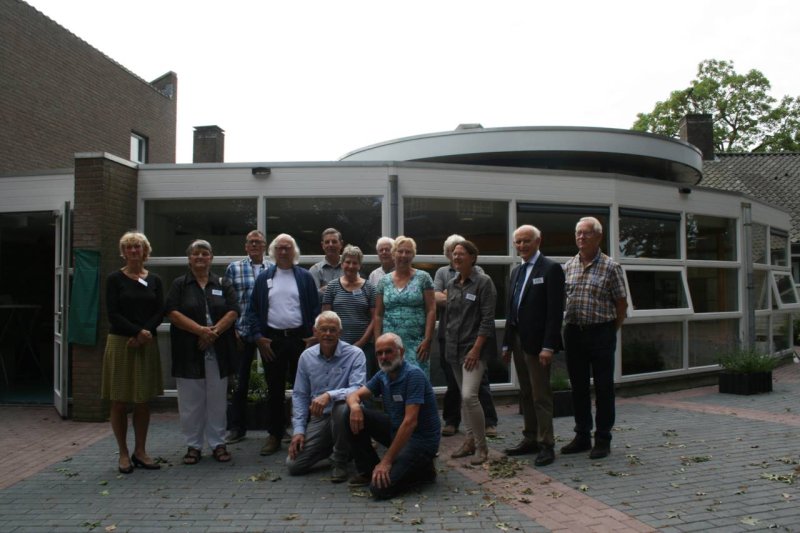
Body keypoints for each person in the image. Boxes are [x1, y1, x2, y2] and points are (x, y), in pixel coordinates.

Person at [166, 239, 239, 465]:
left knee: (217, 400)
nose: (200, 257)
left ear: (211, 258)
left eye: (204, 253)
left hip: (218, 351)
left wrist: (213, 333)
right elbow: (172, 312)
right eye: (196, 253)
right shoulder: (179, 284)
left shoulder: (223, 283)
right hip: (189, 352)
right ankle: (193, 446)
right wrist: (200, 331)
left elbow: (233, 310)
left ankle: (218, 444)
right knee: (190, 402)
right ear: (189, 258)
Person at [247, 233, 320, 456]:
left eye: (288, 247)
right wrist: (258, 337)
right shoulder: (264, 278)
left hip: (300, 341)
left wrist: (313, 337)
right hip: (273, 341)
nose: (283, 251)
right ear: (273, 251)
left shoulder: (305, 277)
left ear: (294, 251)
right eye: (279, 248)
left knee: (304, 389)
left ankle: (305, 433)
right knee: (275, 390)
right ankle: (275, 435)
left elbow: (316, 309)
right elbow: (253, 311)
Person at [344, 333, 441, 499]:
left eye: (388, 351)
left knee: (379, 489)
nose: (383, 357)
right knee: (348, 414)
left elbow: (410, 422)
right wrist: (354, 407)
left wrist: (387, 461)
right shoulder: (383, 375)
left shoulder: (413, 375)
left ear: (401, 352)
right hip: (397, 430)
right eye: (379, 353)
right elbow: (354, 395)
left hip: (420, 440)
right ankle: (369, 470)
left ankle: (423, 469)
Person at [561, 217, 627, 460]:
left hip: (601, 333)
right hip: (573, 333)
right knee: (578, 387)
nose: (581, 237)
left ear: (598, 237)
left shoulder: (611, 267)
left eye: (586, 233)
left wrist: (610, 331)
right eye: (578, 233)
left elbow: (621, 305)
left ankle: (603, 439)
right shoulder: (568, 266)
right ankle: (582, 436)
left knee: (603, 388)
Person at [501, 225, 565, 466]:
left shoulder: (551, 269)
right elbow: (511, 310)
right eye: (518, 242)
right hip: (519, 340)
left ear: (538, 241)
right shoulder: (516, 272)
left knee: (541, 395)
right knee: (526, 392)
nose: (521, 245)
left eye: (526, 241)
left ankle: (546, 444)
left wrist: (548, 346)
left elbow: (555, 312)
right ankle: (530, 438)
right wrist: (507, 343)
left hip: (539, 345)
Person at [101, 231, 164, 474]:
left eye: (137, 246)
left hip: (145, 343)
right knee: (119, 400)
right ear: (123, 252)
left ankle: (141, 451)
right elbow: (113, 313)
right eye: (129, 247)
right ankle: (123, 453)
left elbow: (160, 311)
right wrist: (137, 332)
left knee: (142, 400)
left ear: (145, 251)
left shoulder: (155, 280)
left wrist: (144, 333)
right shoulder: (114, 279)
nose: (133, 251)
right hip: (121, 343)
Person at [286, 311, 366, 482]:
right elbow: (300, 395)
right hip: (320, 418)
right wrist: (298, 431)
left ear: (340, 333)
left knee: (341, 407)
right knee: (294, 465)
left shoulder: (355, 354)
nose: (328, 334)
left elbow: (358, 389)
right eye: (323, 329)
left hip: (348, 416)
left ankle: (339, 461)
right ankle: (341, 446)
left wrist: (329, 395)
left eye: (332, 330)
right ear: (315, 332)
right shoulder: (306, 357)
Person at [434, 234, 498, 438]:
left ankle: (481, 441)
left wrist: (476, 349)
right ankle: (469, 439)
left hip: (473, 347)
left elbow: (486, 318)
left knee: (470, 395)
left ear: (472, 257)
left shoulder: (483, 280)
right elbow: (441, 304)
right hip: (453, 346)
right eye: (453, 253)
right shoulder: (451, 281)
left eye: (461, 253)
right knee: (461, 392)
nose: (456, 257)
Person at [223, 230, 272, 444]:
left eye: (258, 242)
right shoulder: (234, 268)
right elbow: (227, 301)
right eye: (251, 242)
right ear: (245, 246)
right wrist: (231, 329)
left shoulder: (273, 268)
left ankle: (276, 427)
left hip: (267, 333)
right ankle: (237, 428)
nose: (254, 245)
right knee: (240, 383)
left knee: (274, 381)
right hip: (241, 332)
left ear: (264, 246)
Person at [374, 236, 435, 377]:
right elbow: (378, 314)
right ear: (393, 254)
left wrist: (427, 340)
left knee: (417, 380)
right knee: (392, 380)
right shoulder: (383, 281)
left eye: (408, 252)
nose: (403, 255)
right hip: (389, 346)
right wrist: (378, 342)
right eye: (400, 251)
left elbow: (431, 310)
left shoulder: (423, 278)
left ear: (413, 255)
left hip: (417, 344)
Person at [322, 245, 377, 377]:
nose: (351, 266)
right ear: (342, 264)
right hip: (336, 347)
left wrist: (361, 343)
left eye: (355, 263)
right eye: (347, 262)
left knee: (362, 382)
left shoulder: (370, 288)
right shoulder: (332, 287)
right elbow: (325, 317)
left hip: (364, 348)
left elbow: (375, 318)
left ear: (360, 265)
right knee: (338, 380)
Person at [309, 228, 343, 298]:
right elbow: (312, 297)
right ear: (322, 245)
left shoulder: (349, 268)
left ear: (341, 244)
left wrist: (324, 290)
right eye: (327, 242)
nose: (330, 245)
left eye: (334, 242)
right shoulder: (315, 270)